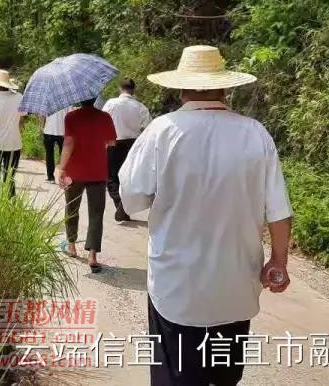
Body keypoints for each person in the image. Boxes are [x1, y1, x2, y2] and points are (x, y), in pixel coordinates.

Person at [119, 45, 293, 386]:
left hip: (177, 287)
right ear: (225, 87)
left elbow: (132, 198)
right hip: (236, 284)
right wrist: (279, 261)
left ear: (181, 88)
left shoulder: (162, 131)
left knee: (178, 376)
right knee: (224, 377)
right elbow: (279, 210)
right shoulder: (254, 132)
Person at [55, 98, 117, 273]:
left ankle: (72, 245)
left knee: (71, 207)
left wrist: (61, 167)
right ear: (95, 98)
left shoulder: (71, 117)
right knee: (96, 213)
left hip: (75, 171)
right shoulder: (105, 117)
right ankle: (92, 255)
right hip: (98, 170)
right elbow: (111, 142)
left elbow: (68, 143)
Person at [102, 79, 151, 222]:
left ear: (119, 88)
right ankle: (124, 206)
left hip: (113, 142)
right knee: (129, 177)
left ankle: (119, 203)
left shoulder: (111, 103)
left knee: (111, 176)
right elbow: (147, 128)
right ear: (133, 90)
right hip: (133, 145)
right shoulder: (140, 107)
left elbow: (103, 122)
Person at [41, 107, 67, 183]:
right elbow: (69, 115)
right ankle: (64, 178)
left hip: (49, 130)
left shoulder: (48, 99)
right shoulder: (67, 100)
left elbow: (43, 114)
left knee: (49, 155)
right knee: (64, 156)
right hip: (63, 131)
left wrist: (42, 126)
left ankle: (51, 178)